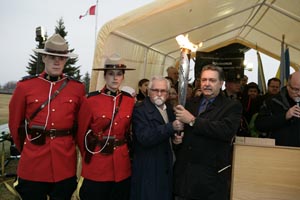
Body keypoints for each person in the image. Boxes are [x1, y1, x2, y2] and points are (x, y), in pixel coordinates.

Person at [8, 33, 86, 200]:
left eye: (61, 58)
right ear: (44, 57)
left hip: (64, 162)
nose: (57, 61)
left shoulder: (77, 89)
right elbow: (15, 124)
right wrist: (27, 148)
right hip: (33, 163)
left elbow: (80, 126)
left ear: (66, 60)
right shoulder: (25, 87)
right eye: (52, 56)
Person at [173, 64, 242, 200]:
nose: (207, 84)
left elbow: (225, 131)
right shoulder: (190, 103)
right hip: (186, 175)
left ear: (221, 83)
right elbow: (182, 132)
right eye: (204, 80)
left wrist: (193, 120)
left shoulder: (231, 106)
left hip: (210, 176)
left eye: (212, 80)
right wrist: (177, 140)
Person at [76, 54, 136, 200]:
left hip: (121, 165)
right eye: (111, 74)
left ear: (123, 77)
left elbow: (129, 131)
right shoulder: (91, 100)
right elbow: (81, 135)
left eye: (119, 74)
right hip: (97, 163)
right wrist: (91, 154)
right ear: (104, 76)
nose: (115, 78)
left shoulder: (129, 101)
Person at [130, 75, 184, 200]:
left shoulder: (169, 109)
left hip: (166, 169)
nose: (159, 94)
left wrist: (176, 141)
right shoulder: (140, 110)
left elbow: (169, 138)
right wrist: (171, 127)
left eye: (163, 91)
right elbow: (144, 137)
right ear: (148, 92)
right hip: (149, 171)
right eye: (155, 90)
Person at [255, 71, 300, 147]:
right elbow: (259, 124)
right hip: (277, 151)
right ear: (288, 86)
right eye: (296, 89)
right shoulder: (272, 102)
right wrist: (285, 116)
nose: (299, 93)